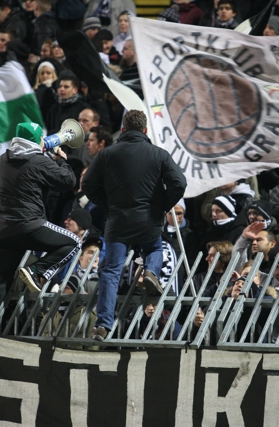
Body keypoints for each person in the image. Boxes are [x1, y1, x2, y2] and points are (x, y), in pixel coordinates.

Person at [82, 109, 186, 342]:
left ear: (123, 130)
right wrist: (161, 205)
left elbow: (87, 184)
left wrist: (108, 204)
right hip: (149, 219)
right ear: (145, 130)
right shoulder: (159, 154)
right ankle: (151, 271)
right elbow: (179, 183)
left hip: (118, 220)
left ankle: (103, 325)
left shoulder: (108, 154)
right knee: (154, 250)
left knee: (110, 271)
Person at [0, 122, 81, 335]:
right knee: (73, 242)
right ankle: (35, 271)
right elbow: (67, 181)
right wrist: (61, 160)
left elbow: (29, 162)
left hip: (0, 233)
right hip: (30, 226)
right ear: (37, 140)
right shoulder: (38, 160)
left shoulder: (4, 159)